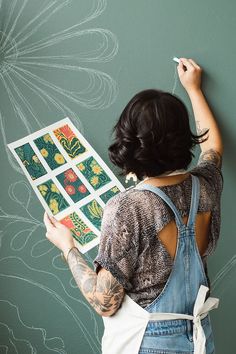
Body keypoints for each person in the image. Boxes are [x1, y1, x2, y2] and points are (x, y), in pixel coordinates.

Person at [44, 58, 223, 354]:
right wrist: (194, 89)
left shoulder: (128, 206)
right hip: (200, 339)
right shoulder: (205, 185)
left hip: (148, 344)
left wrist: (68, 248)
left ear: (129, 141)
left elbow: (105, 302)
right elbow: (213, 148)